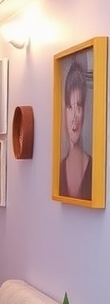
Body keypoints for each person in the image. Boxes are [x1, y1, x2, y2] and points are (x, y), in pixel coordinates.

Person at [59, 57, 92, 199]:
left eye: (78, 107)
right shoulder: (59, 169)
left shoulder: (93, 169)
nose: (73, 118)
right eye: (69, 107)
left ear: (84, 111)